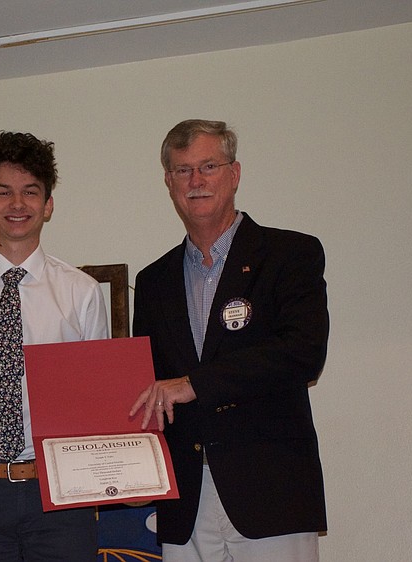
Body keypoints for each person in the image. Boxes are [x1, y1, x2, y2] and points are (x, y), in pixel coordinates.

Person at [129, 119, 329, 562]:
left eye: (208, 167)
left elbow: (302, 354)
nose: (196, 181)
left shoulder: (290, 255)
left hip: (270, 495)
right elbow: (146, 387)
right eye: (183, 171)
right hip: (185, 501)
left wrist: (193, 383)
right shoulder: (153, 281)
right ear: (168, 182)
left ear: (234, 174)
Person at [0, 131, 109, 561]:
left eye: (30, 192)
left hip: (60, 491)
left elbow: (96, 403)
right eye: (3, 192)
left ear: (47, 205)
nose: (17, 204)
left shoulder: (82, 293)